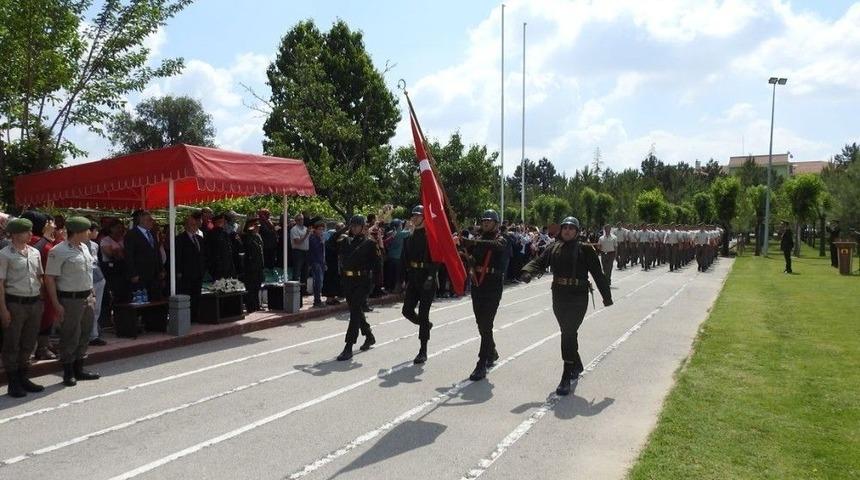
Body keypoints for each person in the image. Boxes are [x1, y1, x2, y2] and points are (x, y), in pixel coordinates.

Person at [520, 216, 612, 396]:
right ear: (561, 230)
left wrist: (606, 297)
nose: (568, 230)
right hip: (559, 295)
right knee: (567, 331)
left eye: (572, 228)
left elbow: (598, 274)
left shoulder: (585, 249)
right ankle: (576, 363)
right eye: (565, 228)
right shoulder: (553, 248)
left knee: (568, 332)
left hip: (578, 297)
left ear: (577, 231)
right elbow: (539, 262)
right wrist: (527, 272)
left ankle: (566, 374)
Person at [44, 216, 100, 386]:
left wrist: (92, 294)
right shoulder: (58, 251)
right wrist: (56, 303)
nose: (89, 233)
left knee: (85, 333)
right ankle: (68, 372)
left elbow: (87, 272)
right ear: (77, 232)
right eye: (86, 230)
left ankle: (79, 368)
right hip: (70, 299)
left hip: (86, 297)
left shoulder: (84, 248)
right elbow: (50, 279)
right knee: (70, 335)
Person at [459, 209, 507, 381]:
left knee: (487, 322)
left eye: (489, 220)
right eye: (484, 220)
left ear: (496, 223)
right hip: (478, 283)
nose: (485, 223)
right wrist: (464, 253)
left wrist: (473, 242)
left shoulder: (501, 239)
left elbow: (497, 247)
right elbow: (473, 260)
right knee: (481, 323)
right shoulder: (478, 240)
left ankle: (481, 362)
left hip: (493, 285)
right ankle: (491, 351)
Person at [0, 218, 46, 397]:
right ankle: (13, 382)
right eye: (27, 231)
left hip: (34, 302)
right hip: (15, 303)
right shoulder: (5, 254)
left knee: (29, 342)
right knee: (12, 343)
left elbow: (39, 276)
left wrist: (41, 300)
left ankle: (23, 377)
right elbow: (1, 284)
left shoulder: (34, 252)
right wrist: (3, 310)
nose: (31, 234)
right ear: (16, 234)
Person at [335, 215, 379, 361]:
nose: (353, 228)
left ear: (363, 227)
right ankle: (369, 335)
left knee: (354, 312)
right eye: (351, 225)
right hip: (348, 281)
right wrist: (343, 230)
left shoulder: (369, 244)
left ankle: (348, 346)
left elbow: (377, 265)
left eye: (356, 225)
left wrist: (374, 285)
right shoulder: (346, 241)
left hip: (362, 281)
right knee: (356, 310)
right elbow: (330, 245)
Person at [400, 205, 439, 364]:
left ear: (424, 217)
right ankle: (426, 325)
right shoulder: (409, 236)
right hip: (414, 276)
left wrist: (431, 277)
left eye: (417, 215)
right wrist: (403, 279)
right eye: (413, 215)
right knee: (407, 310)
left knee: (423, 313)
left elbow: (437, 259)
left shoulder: (431, 236)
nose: (414, 218)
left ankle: (423, 349)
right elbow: (405, 260)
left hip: (427, 276)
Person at [124, 210, 165, 302]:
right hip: (140, 274)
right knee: (142, 299)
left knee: (154, 298)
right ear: (142, 220)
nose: (152, 222)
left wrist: (161, 269)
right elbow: (129, 255)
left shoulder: (152, 234)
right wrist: (133, 274)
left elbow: (157, 252)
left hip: (154, 274)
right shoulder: (132, 234)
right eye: (150, 220)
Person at [175, 214, 206, 321]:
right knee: (187, 295)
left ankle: (195, 316)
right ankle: (187, 318)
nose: (194, 226)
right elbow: (178, 257)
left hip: (199, 272)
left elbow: (203, 255)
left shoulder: (199, 239)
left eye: (195, 224)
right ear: (186, 226)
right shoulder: (179, 239)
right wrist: (178, 271)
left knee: (197, 295)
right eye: (192, 224)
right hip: (186, 273)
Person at [87, 221, 107, 346]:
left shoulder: (95, 245)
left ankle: (93, 334)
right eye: (95, 230)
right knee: (89, 309)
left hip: (98, 278)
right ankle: (88, 334)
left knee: (97, 308)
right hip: (87, 281)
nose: (97, 233)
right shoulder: (80, 245)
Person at [241, 217, 265, 312]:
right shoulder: (247, 236)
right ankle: (251, 307)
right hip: (250, 267)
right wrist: (249, 232)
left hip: (259, 266)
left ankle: (256, 306)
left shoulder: (258, 236)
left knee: (257, 287)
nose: (257, 228)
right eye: (255, 226)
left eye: (258, 226)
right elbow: (246, 247)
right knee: (251, 288)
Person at [207, 213, 236, 280]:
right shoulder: (211, 234)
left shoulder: (224, 233)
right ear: (217, 222)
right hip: (218, 267)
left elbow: (229, 249)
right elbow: (210, 252)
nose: (225, 223)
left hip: (228, 266)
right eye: (223, 221)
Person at [289, 214, 311, 294]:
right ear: (296, 221)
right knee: (297, 272)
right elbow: (297, 242)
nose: (301, 221)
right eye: (299, 220)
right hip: (298, 252)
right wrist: (306, 234)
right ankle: (294, 291)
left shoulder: (305, 228)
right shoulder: (294, 229)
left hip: (306, 251)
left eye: (302, 219)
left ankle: (303, 290)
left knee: (305, 272)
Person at [308, 219, 326, 308]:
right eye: (319, 229)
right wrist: (321, 242)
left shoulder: (320, 238)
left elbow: (323, 252)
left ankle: (318, 299)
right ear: (315, 229)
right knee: (318, 282)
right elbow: (314, 249)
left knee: (320, 282)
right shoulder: (313, 238)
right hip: (315, 262)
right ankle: (317, 300)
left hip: (321, 262)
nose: (321, 231)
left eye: (322, 229)